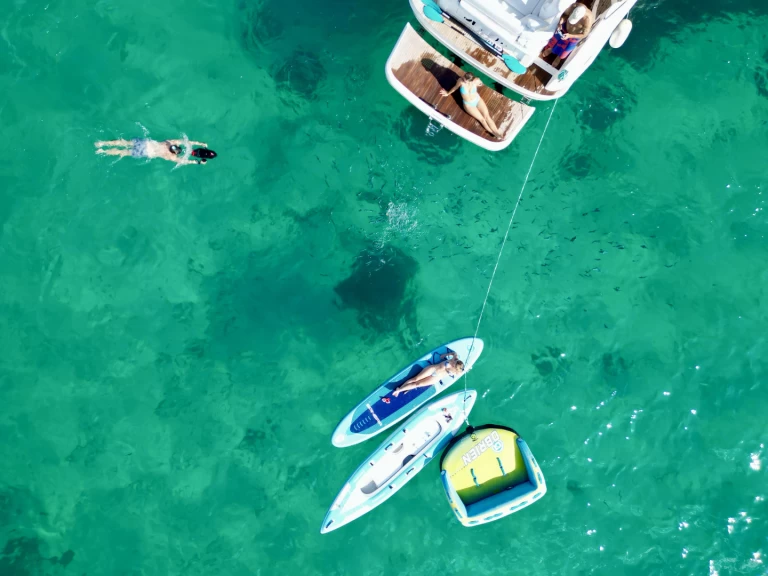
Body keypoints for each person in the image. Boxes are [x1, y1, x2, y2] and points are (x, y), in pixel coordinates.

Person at [439, 73, 503, 139]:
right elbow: (455, 88)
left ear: (471, 80)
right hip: (469, 104)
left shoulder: (476, 80)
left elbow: (481, 83)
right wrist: (447, 93)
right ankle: (493, 133)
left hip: (477, 99)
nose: (464, 80)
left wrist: (479, 83)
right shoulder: (461, 81)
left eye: (465, 80)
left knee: (487, 116)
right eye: (464, 78)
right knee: (482, 120)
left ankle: (497, 132)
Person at [541, 2, 594, 67]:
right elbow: (565, 15)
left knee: (565, 50)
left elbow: (584, 34)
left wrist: (570, 35)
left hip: (573, 36)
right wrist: (561, 22)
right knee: (554, 41)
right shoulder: (573, 6)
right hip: (563, 28)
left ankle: (559, 57)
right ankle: (551, 49)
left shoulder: (588, 20)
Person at [392, 351, 465, 397]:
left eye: (454, 365)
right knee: (415, 379)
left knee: (417, 384)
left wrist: (463, 371)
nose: (453, 363)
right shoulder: (455, 359)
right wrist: (445, 354)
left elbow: (460, 372)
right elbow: (454, 353)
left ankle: (400, 390)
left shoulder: (456, 371)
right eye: (455, 362)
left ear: (455, 368)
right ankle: (399, 389)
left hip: (436, 378)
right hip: (433, 369)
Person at [94, 138, 210, 165]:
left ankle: (102, 144)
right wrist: (197, 162)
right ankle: (102, 150)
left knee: (123, 143)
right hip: (145, 152)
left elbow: (185, 142)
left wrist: (200, 144)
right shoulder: (170, 156)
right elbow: (183, 161)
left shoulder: (169, 142)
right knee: (123, 152)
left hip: (146, 144)